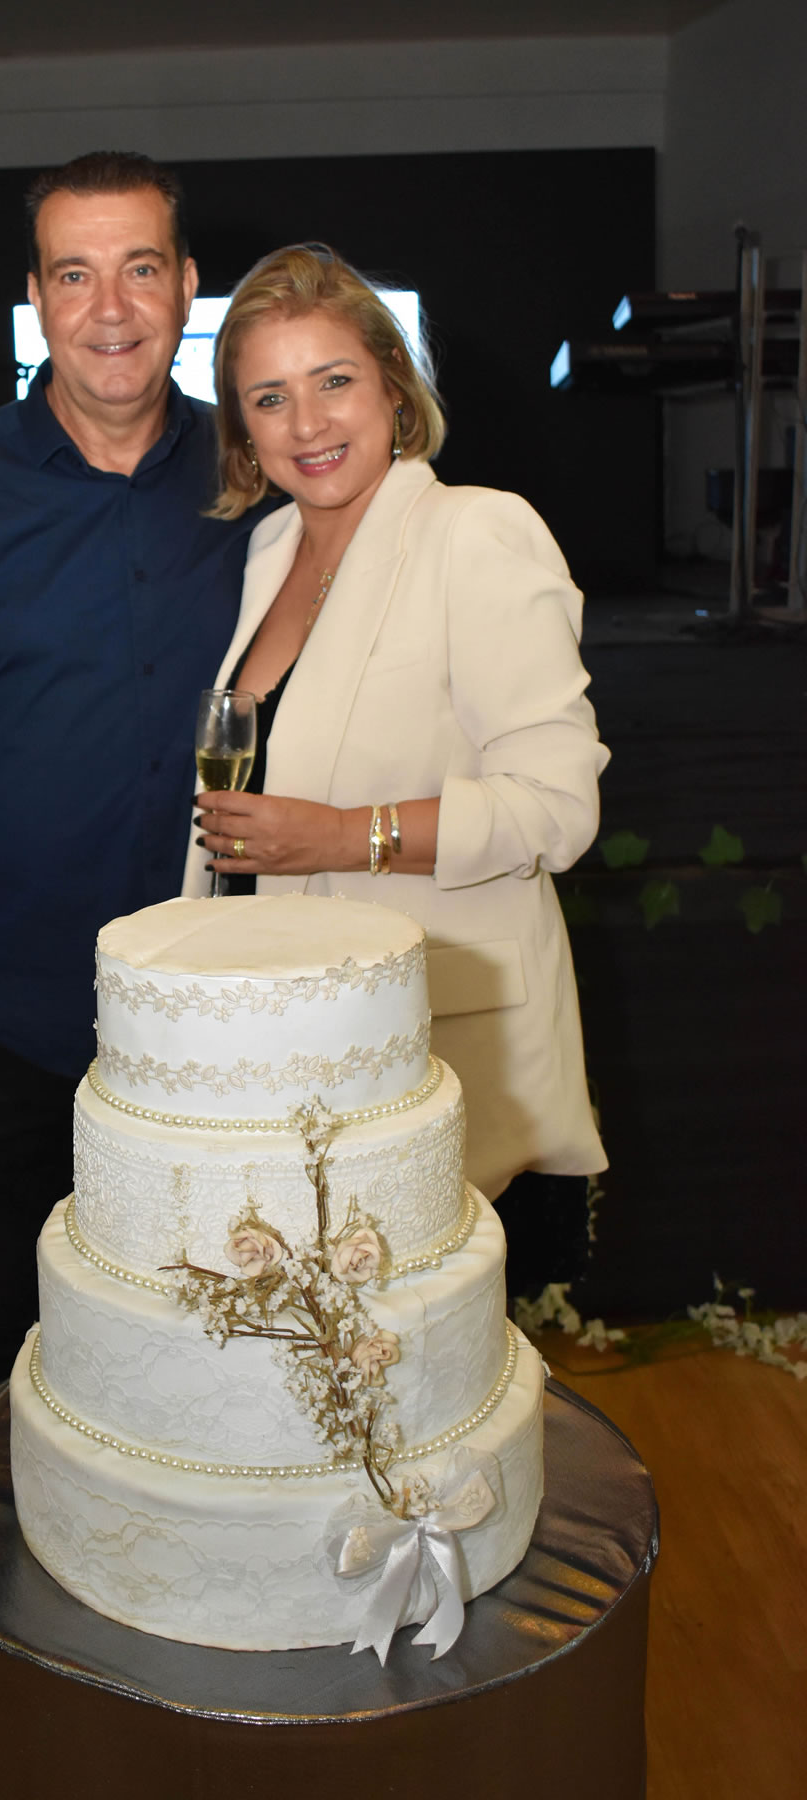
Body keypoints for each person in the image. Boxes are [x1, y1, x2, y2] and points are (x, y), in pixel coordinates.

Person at [0, 152, 265, 1397]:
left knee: (225, 1360)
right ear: (35, 297)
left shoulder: (261, 478)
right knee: (18, 1365)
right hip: (7, 1021)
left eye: (141, 269)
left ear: (189, 286)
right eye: (75, 275)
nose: (110, 309)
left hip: (221, 1018)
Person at [184, 243, 609, 1298]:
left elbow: (558, 808)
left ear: (392, 386)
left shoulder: (478, 532)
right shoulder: (270, 551)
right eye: (270, 399)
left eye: (334, 381)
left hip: (438, 1062)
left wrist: (342, 836)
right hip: (288, 1049)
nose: (308, 423)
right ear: (243, 431)